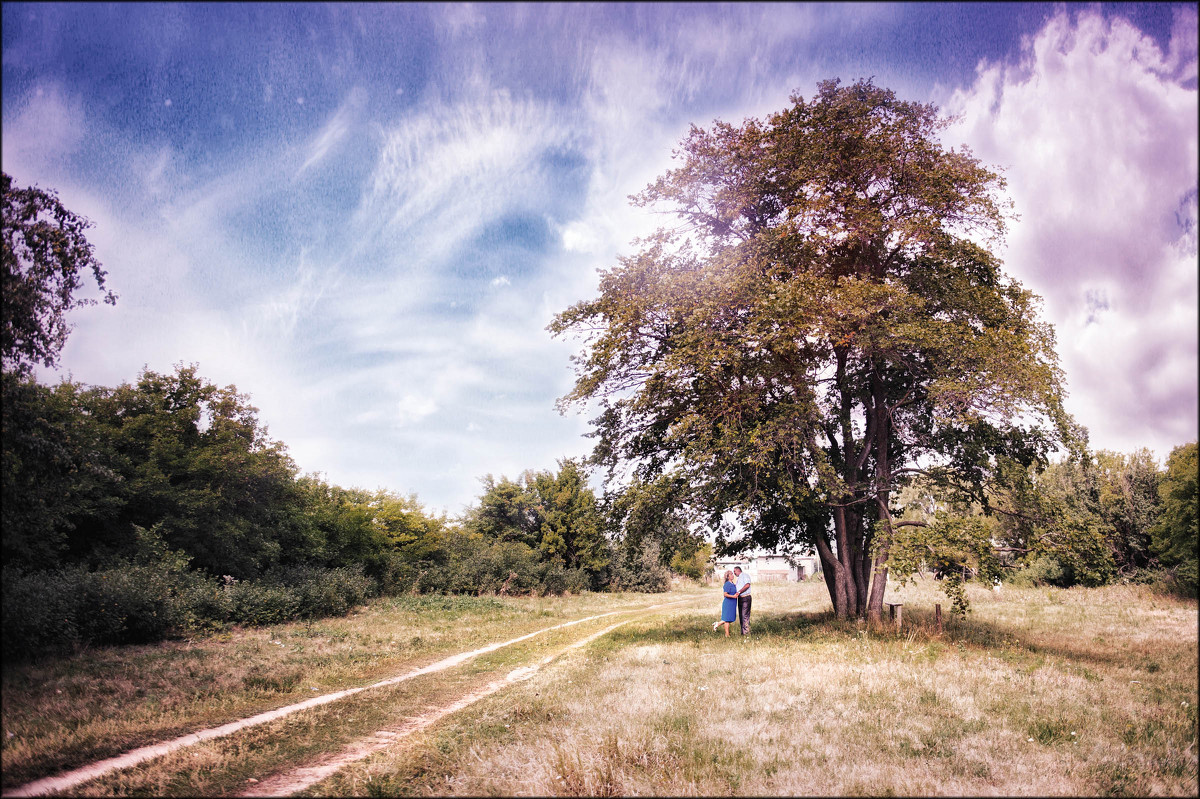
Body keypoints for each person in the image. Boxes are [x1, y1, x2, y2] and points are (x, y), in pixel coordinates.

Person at [712, 570, 738, 637]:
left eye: (732, 574)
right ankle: (727, 634)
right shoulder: (727, 584)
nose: (732, 575)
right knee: (727, 619)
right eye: (731, 574)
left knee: (730, 618)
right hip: (728, 603)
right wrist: (733, 596)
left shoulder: (733, 584)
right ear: (728, 576)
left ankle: (717, 624)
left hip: (733, 603)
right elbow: (725, 594)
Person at [734, 565, 752, 636]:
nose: (734, 573)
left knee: (745, 615)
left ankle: (746, 633)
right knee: (741, 616)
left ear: (738, 570)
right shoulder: (739, 578)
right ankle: (743, 633)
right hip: (740, 598)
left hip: (745, 598)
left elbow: (747, 585)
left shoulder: (745, 575)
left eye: (734, 571)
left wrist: (739, 592)